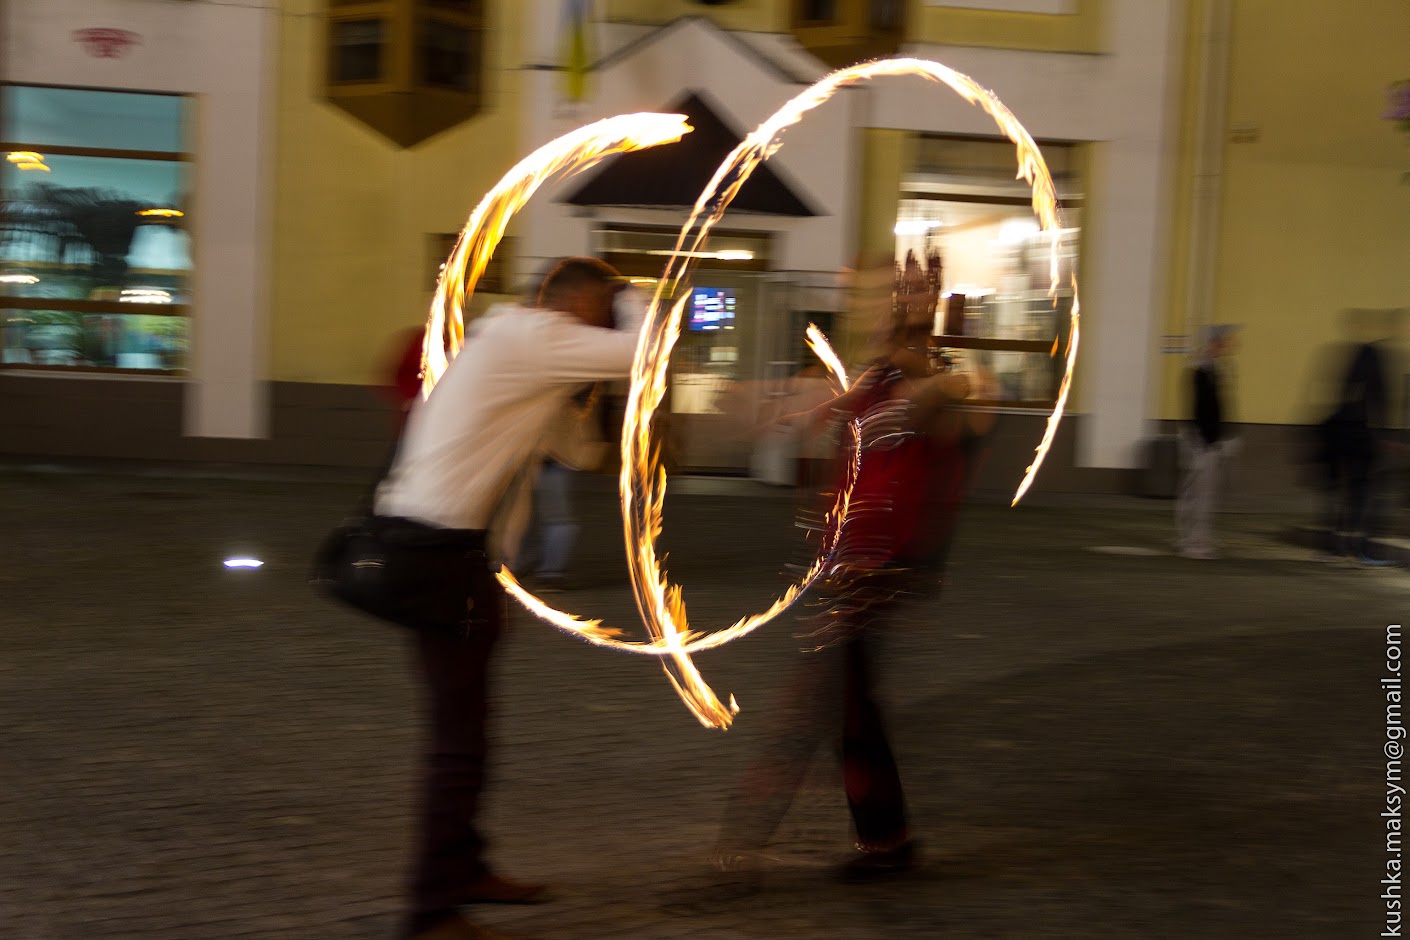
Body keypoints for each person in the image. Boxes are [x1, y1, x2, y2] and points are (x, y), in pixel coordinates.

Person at [372, 257, 645, 940]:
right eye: (601, 313)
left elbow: (579, 454)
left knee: (469, 732)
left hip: (456, 557)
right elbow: (647, 351)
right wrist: (638, 297)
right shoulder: (533, 334)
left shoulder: (516, 345)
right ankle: (431, 911)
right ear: (579, 307)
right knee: (456, 743)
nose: (603, 327)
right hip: (436, 554)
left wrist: (581, 396)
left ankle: (464, 869)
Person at [713, 298, 982, 887]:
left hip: (879, 577)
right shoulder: (878, 385)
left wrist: (925, 383)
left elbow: (947, 395)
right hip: (848, 568)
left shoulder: (934, 390)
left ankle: (744, 842)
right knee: (849, 713)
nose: (889, 339)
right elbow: (837, 411)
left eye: (906, 331)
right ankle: (886, 840)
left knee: (815, 707)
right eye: (888, 327)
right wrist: (780, 407)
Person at [1320, 308, 1402, 566]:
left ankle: (1340, 544)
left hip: (1350, 432)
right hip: (1363, 435)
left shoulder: (1354, 357)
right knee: (1363, 491)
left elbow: (1344, 392)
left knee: (1351, 490)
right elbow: (1380, 397)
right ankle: (1360, 546)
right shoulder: (1374, 356)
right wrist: (1384, 432)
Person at [1175, 324, 1239, 559]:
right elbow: (1199, 410)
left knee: (1206, 493)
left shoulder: (1214, 369)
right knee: (1197, 493)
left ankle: (1200, 539)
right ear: (1212, 343)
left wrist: (1225, 436)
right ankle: (1192, 542)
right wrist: (1200, 442)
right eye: (1223, 342)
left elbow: (1218, 407)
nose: (1227, 346)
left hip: (1209, 441)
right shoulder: (1200, 370)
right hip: (1201, 442)